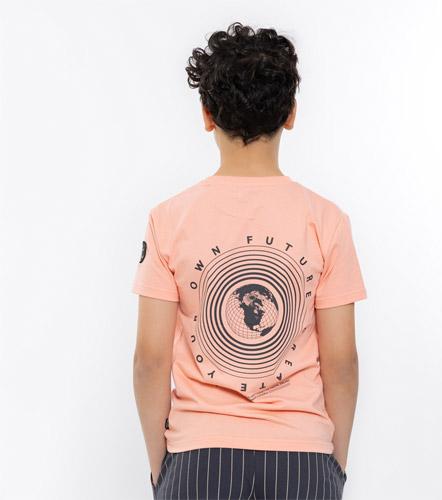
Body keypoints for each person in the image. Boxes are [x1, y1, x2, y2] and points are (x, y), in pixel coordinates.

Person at [132, 21, 367, 500]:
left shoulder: (168, 218)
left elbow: (150, 360)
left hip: (199, 457)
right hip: (303, 457)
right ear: (291, 114)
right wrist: (334, 465)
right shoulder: (327, 220)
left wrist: (162, 469)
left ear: (206, 115)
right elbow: (341, 362)